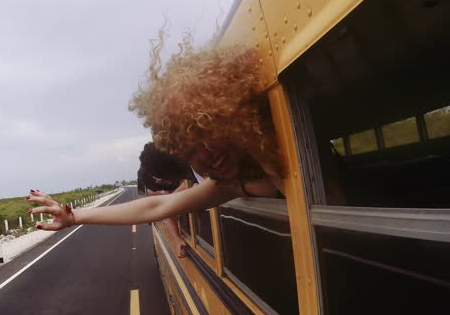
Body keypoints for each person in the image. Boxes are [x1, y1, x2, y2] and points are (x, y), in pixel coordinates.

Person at [28, 31, 283, 231]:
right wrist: (73, 217)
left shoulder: (283, 144)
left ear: (233, 116)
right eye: (190, 150)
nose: (206, 155)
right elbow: (158, 206)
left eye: (208, 134)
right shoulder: (231, 185)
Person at [136, 142, 192, 257]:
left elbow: (165, 206)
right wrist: (177, 239)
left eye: (162, 179)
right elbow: (167, 212)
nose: (165, 182)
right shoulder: (169, 189)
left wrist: (171, 199)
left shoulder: (192, 172)